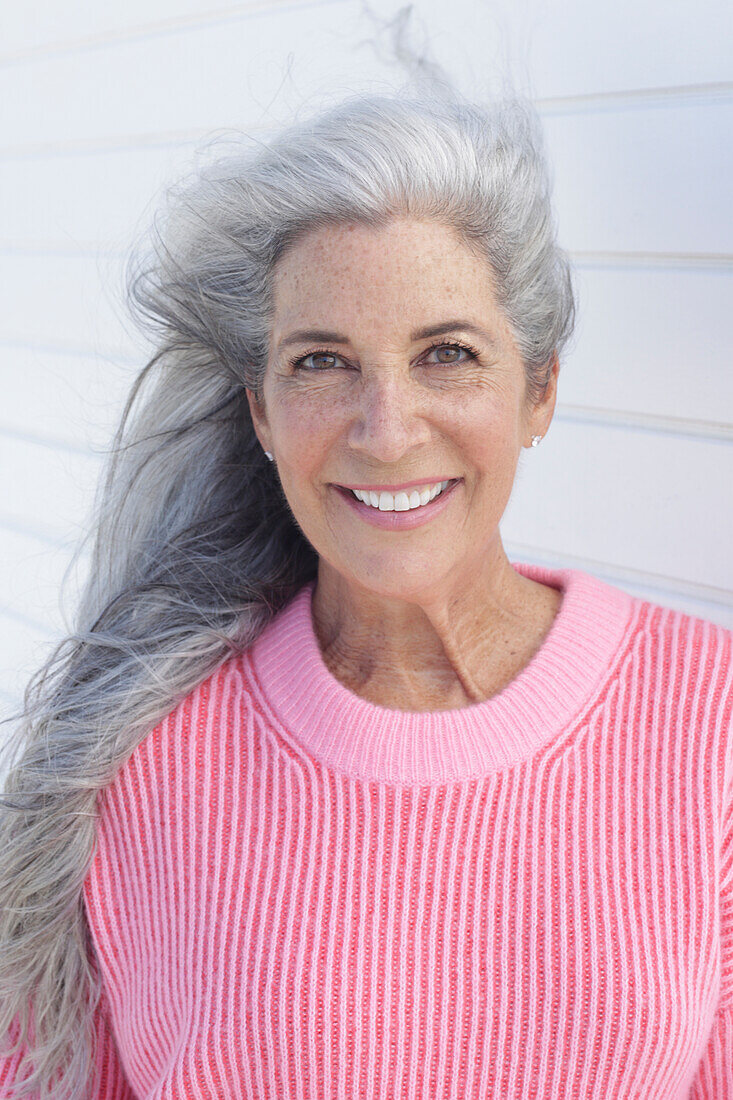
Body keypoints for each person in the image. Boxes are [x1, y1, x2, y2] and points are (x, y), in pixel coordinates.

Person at [1, 72, 731, 1100]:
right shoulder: (137, 756)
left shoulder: (711, 717)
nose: (386, 430)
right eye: (321, 362)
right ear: (261, 413)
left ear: (540, 391)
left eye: (446, 354)